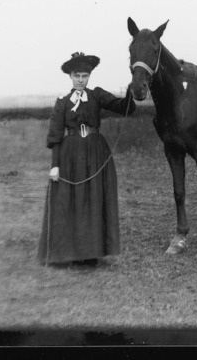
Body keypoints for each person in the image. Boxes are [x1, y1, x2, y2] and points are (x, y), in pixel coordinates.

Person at [37, 52, 136, 268]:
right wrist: (55, 166)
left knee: (94, 199)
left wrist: (132, 89)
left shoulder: (97, 95)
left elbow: (124, 107)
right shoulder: (62, 103)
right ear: (70, 77)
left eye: (85, 76)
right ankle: (71, 253)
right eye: (77, 75)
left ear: (89, 76)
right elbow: (55, 136)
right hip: (69, 155)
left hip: (95, 152)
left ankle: (92, 253)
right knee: (71, 200)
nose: (81, 80)